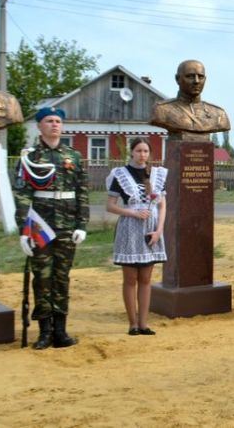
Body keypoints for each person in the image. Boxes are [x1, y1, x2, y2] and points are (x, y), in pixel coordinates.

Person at [14, 107, 89, 349]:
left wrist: (82, 224)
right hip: (40, 225)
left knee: (62, 278)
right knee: (42, 277)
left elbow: (82, 193)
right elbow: (23, 196)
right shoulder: (30, 157)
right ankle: (44, 332)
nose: (55, 125)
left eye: (58, 121)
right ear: (39, 126)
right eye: (49, 121)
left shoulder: (74, 156)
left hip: (67, 225)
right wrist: (24, 231)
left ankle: (61, 331)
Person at [105, 138, 168, 335]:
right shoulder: (120, 174)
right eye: (139, 150)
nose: (142, 155)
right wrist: (132, 213)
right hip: (130, 227)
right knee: (130, 278)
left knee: (146, 277)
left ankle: (144, 323)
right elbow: (110, 205)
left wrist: (159, 230)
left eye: (146, 151)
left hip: (151, 228)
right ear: (131, 152)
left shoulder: (156, 174)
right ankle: (132, 323)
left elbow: (162, 205)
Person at [149, 60, 231, 136]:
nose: (196, 81)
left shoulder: (219, 114)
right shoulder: (162, 110)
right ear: (177, 79)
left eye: (200, 77)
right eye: (190, 76)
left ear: (205, 79)